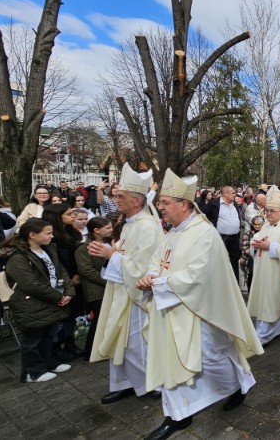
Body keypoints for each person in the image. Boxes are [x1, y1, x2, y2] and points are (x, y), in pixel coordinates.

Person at [136, 169, 263, 439]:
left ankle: (240, 384)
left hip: (201, 310)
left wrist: (159, 283)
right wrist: (149, 276)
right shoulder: (172, 233)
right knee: (173, 358)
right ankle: (177, 416)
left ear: (183, 205)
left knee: (211, 359)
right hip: (172, 308)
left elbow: (199, 274)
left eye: (164, 203)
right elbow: (156, 261)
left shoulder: (204, 233)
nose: (159, 208)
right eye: (159, 203)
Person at [87, 164, 164, 405]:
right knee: (121, 339)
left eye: (121, 196)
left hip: (136, 296)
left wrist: (112, 256)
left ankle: (151, 382)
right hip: (120, 290)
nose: (115, 198)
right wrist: (112, 254)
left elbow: (144, 267)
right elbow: (127, 255)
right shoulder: (130, 223)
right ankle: (123, 383)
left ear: (137, 200)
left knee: (134, 342)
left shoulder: (148, 226)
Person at [4, 219, 74, 382]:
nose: (52, 236)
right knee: (33, 339)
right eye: (48, 233)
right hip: (30, 303)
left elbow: (61, 271)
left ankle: (49, 363)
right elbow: (30, 284)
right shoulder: (17, 257)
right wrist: (58, 296)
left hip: (49, 300)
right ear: (32, 235)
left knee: (49, 335)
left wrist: (68, 292)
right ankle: (32, 372)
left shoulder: (49, 250)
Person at [247, 187, 280, 346]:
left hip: (278, 272)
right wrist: (254, 244)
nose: (268, 214)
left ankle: (263, 335)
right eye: (267, 210)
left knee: (272, 302)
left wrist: (271, 246)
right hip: (263, 271)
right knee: (266, 301)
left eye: (271, 211)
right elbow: (255, 239)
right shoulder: (266, 226)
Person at [42, 203, 84, 361]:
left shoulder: (72, 233)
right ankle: (56, 347)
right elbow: (58, 262)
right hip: (63, 281)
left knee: (75, 314)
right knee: (62, 316)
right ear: (56, 217)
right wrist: (70, 278)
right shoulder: (53, 238)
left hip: (77, 278)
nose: (73, 216)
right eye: (69, 214)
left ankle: (70, 343)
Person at [75, 217, 112, 360]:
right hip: (96, 290)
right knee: (98, 322)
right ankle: (91, 351)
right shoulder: (84, 247)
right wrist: (107, 280)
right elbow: (86, 270)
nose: (111, 230)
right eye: (107, 228)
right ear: (96, 230)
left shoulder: (109, 243)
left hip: (110, 287)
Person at [205, 185, 246, 280]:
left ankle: (235, 283)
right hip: (221, 237)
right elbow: (203, 215)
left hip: (235, 237)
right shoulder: (214, 204)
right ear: (225, 194)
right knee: (219, 260)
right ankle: (219, 283)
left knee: (234, 259)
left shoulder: (234, 204)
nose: (235, 195)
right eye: (233, 193)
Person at [240, 215, 264, 292]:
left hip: (263, 257)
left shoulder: (266, 232)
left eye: (259, 224)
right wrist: (254, 253)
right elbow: (245, 247)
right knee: (252, 273)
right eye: (255, 224)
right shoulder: (248, 233)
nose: (257, 226)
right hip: (250, 257)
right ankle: (250, 292)